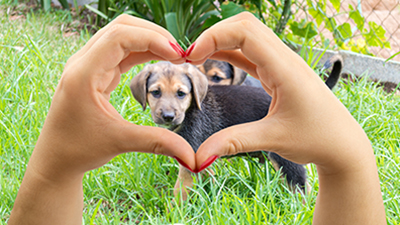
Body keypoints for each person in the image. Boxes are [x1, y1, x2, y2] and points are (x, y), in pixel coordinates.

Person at [8, 13, 386, 224]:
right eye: (156, 94)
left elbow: (190, 168)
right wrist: (353, 165)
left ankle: (298, 197)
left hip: (261, 108)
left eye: (180, 95)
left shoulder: (202, 107)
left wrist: (49, 175)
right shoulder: (169, 94)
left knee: (287, 163)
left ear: (196, 93)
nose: (168, 107)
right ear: (141, 92)